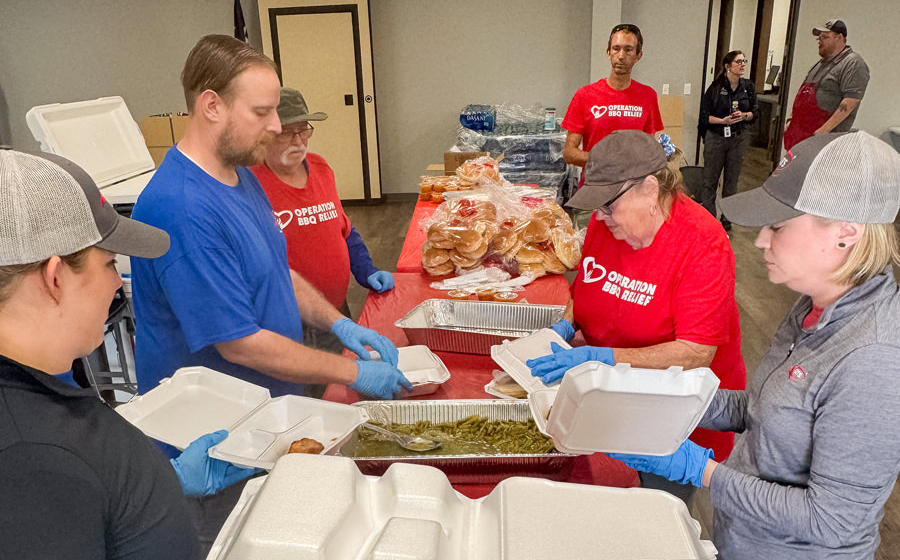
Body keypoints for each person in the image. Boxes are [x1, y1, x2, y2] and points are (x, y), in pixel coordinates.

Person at [608, 131, 900, 559]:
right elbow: (771, 409)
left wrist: (702, 471)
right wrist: (663, 397)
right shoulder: (812, 306)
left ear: (846, 233)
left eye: (778, 227)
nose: (761, 240)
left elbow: (831, 520)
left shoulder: (874, 360)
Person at [0, 149, 256, 559]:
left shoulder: (40, 397)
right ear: (55, 277)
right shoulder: (30, 458)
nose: (117, 284)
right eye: (108, 264)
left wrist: (159, 480)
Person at [131, 35, 411, 403]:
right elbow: (240, 344)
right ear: (212, 106)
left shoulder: (240, 174)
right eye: (262, 112)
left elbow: (276, 272)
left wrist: (337, 322)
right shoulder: (182, 207)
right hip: (219, 420)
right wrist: (352, 372)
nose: (277, 126)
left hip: (268, 404)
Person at [527, 130, 746, 501]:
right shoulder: (606, 223)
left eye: (608, 206)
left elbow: (695, 352)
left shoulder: (702, 243)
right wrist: (568, 323)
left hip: (671, 421)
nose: (600, 217)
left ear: (649, 189)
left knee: (650, 509)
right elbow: (588, 285)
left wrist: (605, 358)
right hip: (607, 403)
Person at [251, 87, 394, 360]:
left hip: (335, 312)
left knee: (341, 377)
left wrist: (366, 270)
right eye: (286, 132)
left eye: (303, 130)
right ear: (263, 135)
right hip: (289, 321)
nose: (298, 141)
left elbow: (344, 231)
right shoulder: (249, 185)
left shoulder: (320, 168)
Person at [561, 23, 664, 186]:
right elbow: (569, 153)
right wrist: (605, 161)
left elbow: (648, 149)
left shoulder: (648, 96)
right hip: (594, 188)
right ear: (608, 52)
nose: (621, 56)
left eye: (628, 50)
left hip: (632, 190)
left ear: (638, 55)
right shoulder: (584, 95)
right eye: (616, 48)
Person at [783, 19, 869, 150]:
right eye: (819, 38)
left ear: (839, 37)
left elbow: (851, 101)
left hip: (822, 141)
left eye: (825, 37)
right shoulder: (820, 64)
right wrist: (791, 120)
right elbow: (803, 94)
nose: (820, 41)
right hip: (800, 137)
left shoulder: (853, 63)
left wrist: (824, 131)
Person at [698, 50, 758, 230]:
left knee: (732, 180)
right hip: (716, 137)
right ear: (727, 66)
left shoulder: (748, 87)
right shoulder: (715, 88)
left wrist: (745, 115)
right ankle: (709, 217)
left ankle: (727, 218)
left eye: (744, 61)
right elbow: (704, 117)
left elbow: (755, 112)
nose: (742, 65)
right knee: (710, 180)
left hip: (738, 138)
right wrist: (723, 121)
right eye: (738, 61)